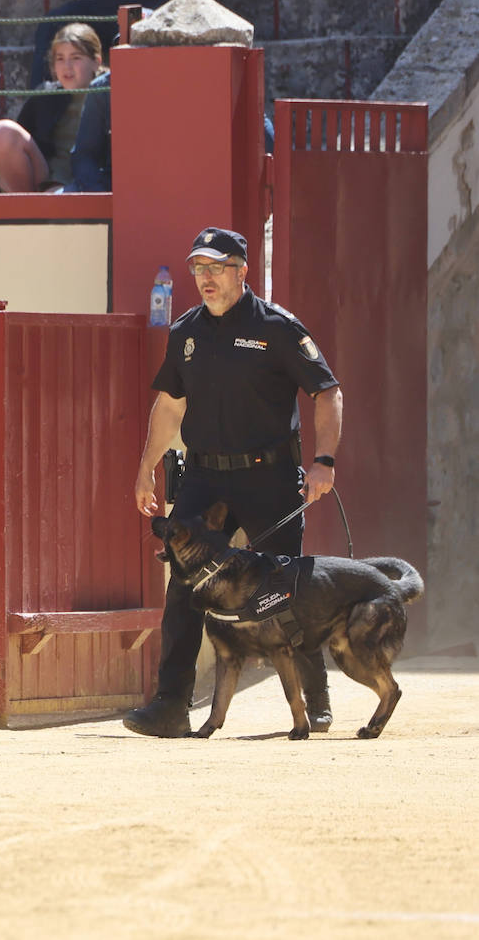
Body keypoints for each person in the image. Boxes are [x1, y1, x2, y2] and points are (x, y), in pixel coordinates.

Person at [125, 226, 342, 738]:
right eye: (198, 268)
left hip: (269, 476)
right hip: (202, 477)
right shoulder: (185, 332)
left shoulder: (280, 328)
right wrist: (146, 466)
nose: (205, 278)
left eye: (216, 267)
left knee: (286, 588)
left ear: (243, 270)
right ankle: (170, 706)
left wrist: (325, 460)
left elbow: (327, 392)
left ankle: (315, 697)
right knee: (184, 585)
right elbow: (170, 404)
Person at [0, 23, 105, 192]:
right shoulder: (45, 96)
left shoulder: (108, 96)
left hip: (90, 181)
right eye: (60, 58)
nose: (67, 67)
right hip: (50, 179)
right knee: (2, 132)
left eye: (76, 58)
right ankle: (28, 211)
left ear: (96, 62)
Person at [29, 0, 186, 89]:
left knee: (132, 33)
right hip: (94, 6)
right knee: (52, 24)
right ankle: (39, 116)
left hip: (150, 4)